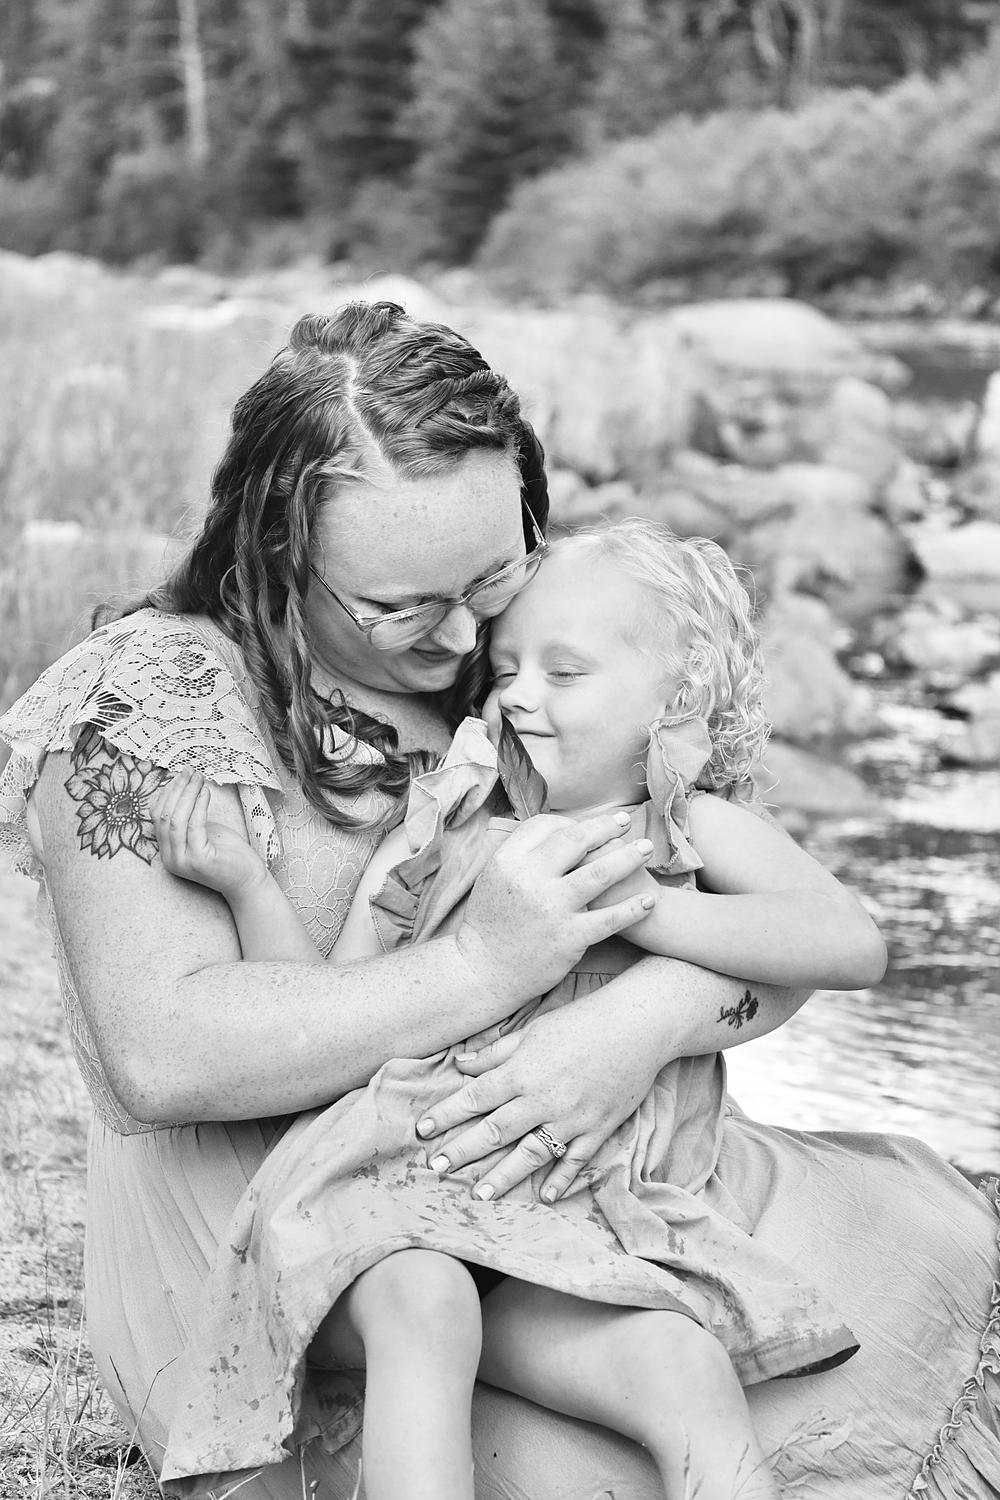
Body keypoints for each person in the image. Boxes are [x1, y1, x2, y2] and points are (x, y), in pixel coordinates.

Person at [0, 301, 996, 1500]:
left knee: (913, 1269)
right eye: (402, 604)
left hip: (577, 1179)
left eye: (493, 572)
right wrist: (482, 965)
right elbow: (160, 1056)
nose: (466, 632)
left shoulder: (539, 657)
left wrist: (634, 1025)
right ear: (276, 550)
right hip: (288, 1237)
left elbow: (771, 937)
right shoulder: (151, 695)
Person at [149, 518, 888, 1500]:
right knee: (426, 1304)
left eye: (564, 673)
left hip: (578, 1230)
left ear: (675, 699)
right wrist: (249, 886)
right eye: (505, 671)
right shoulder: (448, 827)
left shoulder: (686, 831)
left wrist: (643, 906)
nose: (519, 695)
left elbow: (848, 942)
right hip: (398, 1196)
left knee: (681, 1365)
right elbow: (327, 1006)